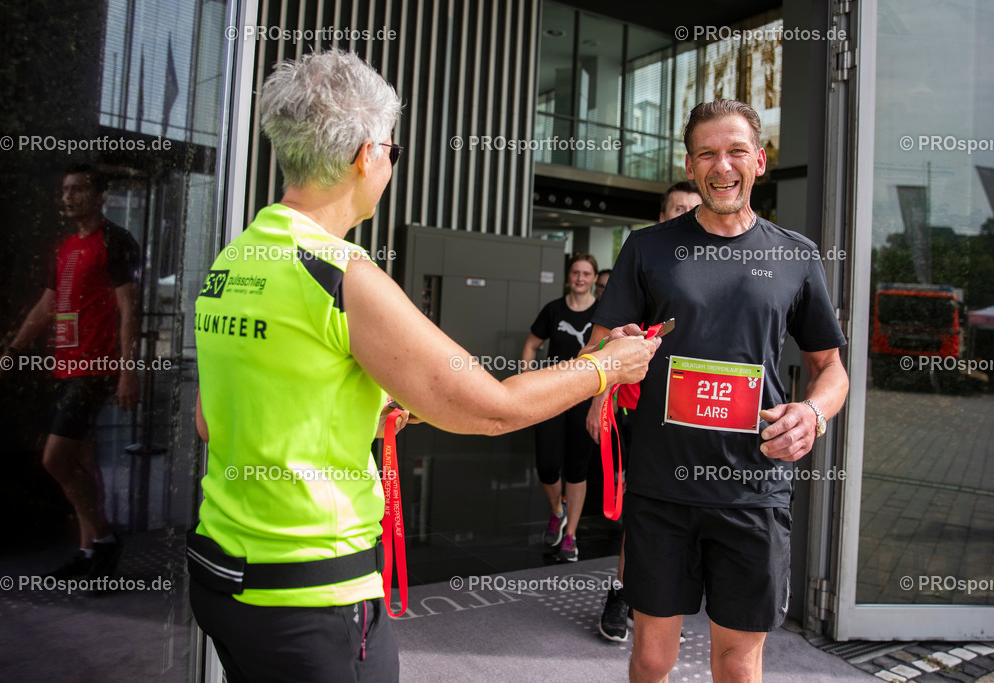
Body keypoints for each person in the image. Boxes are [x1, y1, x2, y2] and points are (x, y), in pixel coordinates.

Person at [187, 50, 658, 683]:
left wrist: (360, 406)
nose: (389, 167)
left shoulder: (234, 261)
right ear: (365, 156)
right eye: (393, 152)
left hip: (223, 576)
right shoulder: (340, 273)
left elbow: (214, 422)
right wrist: (608, 364)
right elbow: (493, 409)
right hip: (313, 594)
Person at [588, 99, 848, 681]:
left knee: (737, 663)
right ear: (689, 164)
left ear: (759, 161)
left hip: (753, 491)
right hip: (661, 488)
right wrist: (608, 365)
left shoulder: (796, 255)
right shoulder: (647, 248)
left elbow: (831, 368)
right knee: (652, 658)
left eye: (735, 152)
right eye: (707, 153)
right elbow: (594, 354)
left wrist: (813, 412)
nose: (722, 165)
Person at [0, 164, 141, 580]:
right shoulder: (67, 247)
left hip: (96, 367)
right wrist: (10, 354)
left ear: (100, 195)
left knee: (55, 459)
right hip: (66, 366)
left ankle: (104, 541)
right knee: (83, 462)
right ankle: (89, 553)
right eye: (65, 191)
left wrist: (127, 370)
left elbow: (129, 307)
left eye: (79, 190)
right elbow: (46, 306)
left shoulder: (116, 240)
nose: (69, 197)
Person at [596, 179, 702, 642]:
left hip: (696, 419)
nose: (682, 217)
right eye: (675, 209)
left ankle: (661, 603)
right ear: (662, 216)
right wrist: (598, 405)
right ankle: (623, 593)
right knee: (639, 514)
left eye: (691, 211)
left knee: (687, 515)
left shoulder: (715, 267)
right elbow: (603, 344)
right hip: (638, 413)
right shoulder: (643, 262)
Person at [520, 253, 599, 562]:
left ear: (593, 278)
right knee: (547, 465)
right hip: (552, 394)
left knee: (577, 469)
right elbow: (530, 345)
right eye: (576, 272)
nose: (580, 277)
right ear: (569, 276)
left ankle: (571, 536)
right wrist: (526, 380)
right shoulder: (553, 310)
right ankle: (557, 511)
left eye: (586, 273)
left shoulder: (603, 313)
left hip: (585, 396)